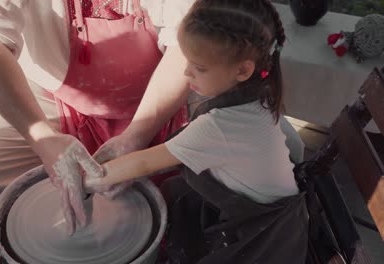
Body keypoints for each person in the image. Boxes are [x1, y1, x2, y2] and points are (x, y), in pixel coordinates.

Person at [0, 0, 194, 235]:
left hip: (163, 86)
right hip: (52, 92)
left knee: (209, 186)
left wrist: (138, 133)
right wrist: (40, 137)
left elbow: (190, 42)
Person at [85, 0, 308, 263]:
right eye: (188, 60)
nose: (186, 72)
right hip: (278, 217)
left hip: (266, 240)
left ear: (243, 70)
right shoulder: (259, 91)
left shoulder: (219, 128)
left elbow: (142, 162)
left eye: (199, 67)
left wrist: (83, 182)